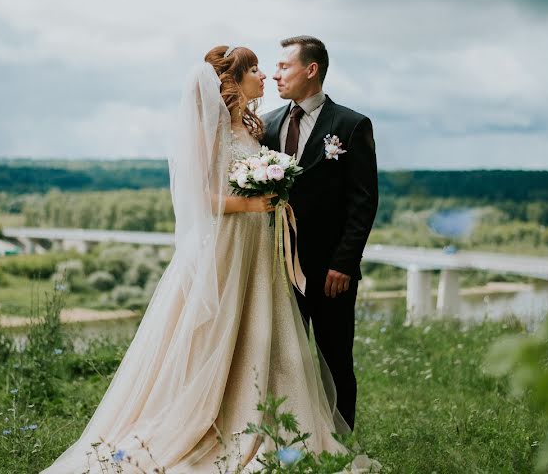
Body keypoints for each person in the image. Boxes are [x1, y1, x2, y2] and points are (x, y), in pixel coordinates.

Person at [40, 45, 361, 473]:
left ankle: (281, 417)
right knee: (219, 332)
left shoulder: (257, 125)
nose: (266, 75)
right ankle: (214, 418)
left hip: (263, 249)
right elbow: (198, 195)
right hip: (231, 244)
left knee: (267, 334)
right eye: (257, 69)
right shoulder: (223, 129)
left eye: (275, 67)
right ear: (232, 80)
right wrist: (250, 205)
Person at [262, 36, 379, 430]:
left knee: (334, 359)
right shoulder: (268, 124)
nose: (275, 74)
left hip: (331, 271)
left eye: (284, 67)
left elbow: (363, 202)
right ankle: (285, 435)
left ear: (311, 70)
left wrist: (344, 263)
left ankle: (341, 440)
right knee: (281, 358)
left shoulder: (350, 124)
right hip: (276, 267)